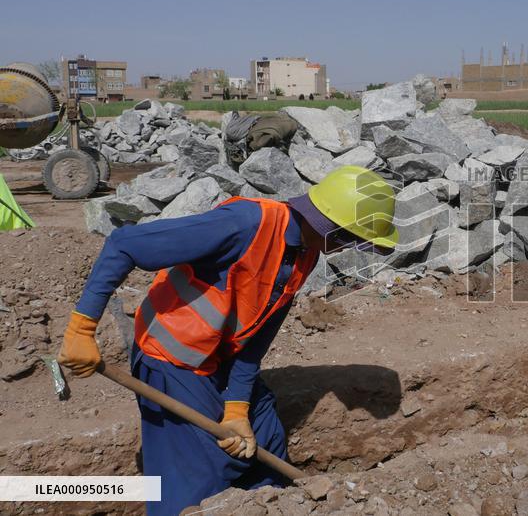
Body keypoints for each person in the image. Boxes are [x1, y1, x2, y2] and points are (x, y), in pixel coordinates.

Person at [57, 166, 399, 515]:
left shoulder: (305, 252)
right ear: (329, 227)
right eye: (350, 240)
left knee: (265, 438)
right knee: (200, 472)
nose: (349, 249)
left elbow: (260, 334)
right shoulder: (244, 223)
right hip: (172, 360)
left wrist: (237, 405)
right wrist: (82, 328)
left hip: (221, 359)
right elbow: (123, 244)